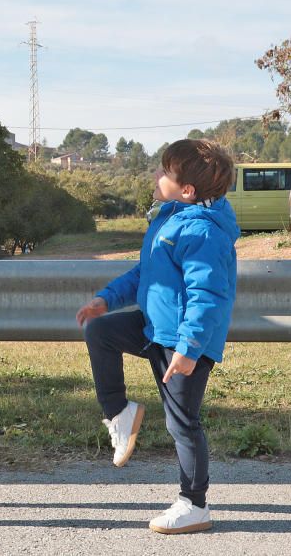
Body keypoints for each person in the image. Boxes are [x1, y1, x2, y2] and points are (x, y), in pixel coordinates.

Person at [76, 139, 239, 535]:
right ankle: (119, 413)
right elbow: (143, 274)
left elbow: (208, 296)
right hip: (152, 328)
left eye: (165, 172)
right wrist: (105, 299)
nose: (156, 175)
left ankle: (193, 503)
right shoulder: (169, 218)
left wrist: (188, 349)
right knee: (100, 331)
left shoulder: (202, 233)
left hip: (183, 343)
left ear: (187, 190)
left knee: (182, 423)